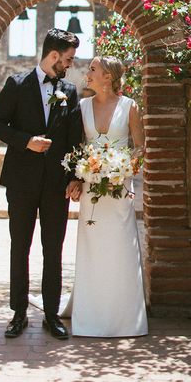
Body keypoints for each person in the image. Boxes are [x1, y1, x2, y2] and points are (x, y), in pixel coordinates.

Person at [0, 28, 83, 340]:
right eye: (67, 59)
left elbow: (74, 138)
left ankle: (52, 314)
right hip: (21, 182)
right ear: (53, 55)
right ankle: (18, 314)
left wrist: (75, 177)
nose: (70, 64)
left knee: (53, 249)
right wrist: (26, 141)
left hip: (57, 184)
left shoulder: (69, 91)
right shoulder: (16, 84)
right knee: (20, 246)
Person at [67, 55, 148, 337]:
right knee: (92, 248)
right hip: (92, 188)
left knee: (120, 247)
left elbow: (139, 147)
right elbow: (78, 146)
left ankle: (124, 318)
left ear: (108, 77)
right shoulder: (82, 106)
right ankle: (90, 315)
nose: (87, 73)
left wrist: (122, 167)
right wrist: (78, 177)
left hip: (119, 188)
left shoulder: (130, 107)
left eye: (92, 69)